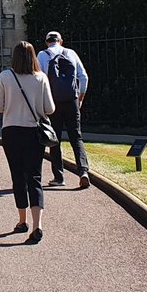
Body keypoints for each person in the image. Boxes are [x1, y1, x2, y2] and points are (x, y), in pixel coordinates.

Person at [0, 41, 55, 245]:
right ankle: (38, 225)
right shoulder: (41, 78)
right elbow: (50, 108)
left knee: (17, 176)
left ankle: (22, 221)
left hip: (11, 130)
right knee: (35, 177)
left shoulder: (5, 77)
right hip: (34, 133)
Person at [37, 31, 91, 190]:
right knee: (76, 137)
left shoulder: (42, 55)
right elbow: (83, 77)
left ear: (47, 42)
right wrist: (80, 97)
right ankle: (83, 171)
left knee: (54, 139)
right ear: (61, 41)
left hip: (54, 101)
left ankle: (59, 177)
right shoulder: (71, 53)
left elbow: (40, 79)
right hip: (72, 100)